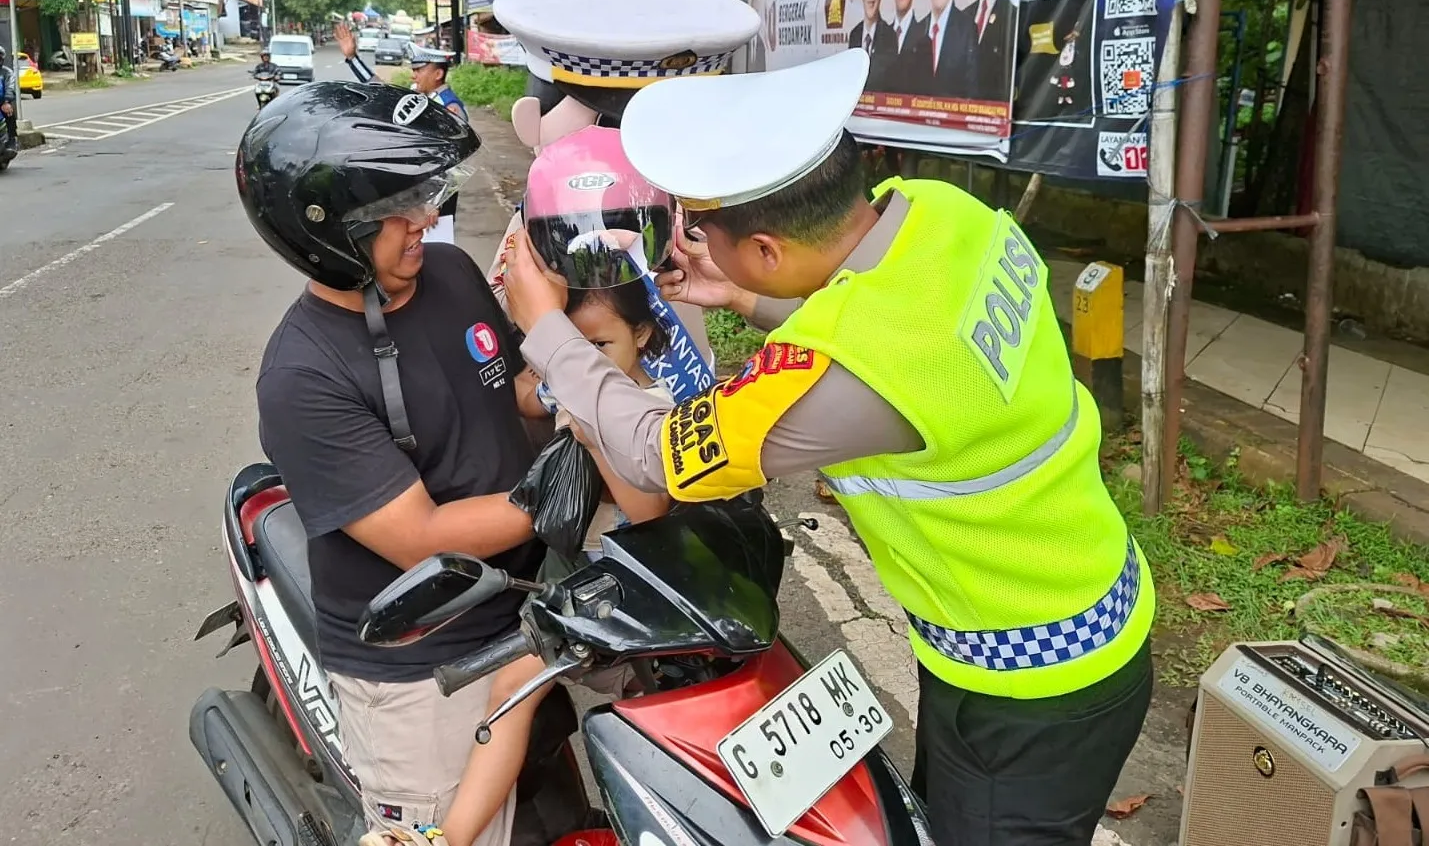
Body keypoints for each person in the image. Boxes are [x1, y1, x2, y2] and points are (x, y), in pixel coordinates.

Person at [499, 48, 1155, 846]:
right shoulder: (941, 211)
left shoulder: (836, 378)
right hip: (1065, 596)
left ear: (769, 245)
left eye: (701, 232)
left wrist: (548, 331)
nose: (691, 246)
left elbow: (652, 453)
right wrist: (742, 293)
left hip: (1032, 683)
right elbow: (890, 329)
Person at [236, 80, 544, 846]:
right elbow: (421, 537)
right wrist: (557, 496)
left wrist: (606, 374)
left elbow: (518, 393)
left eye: (422, 195)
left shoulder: (448, 275)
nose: (428, 218)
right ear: (330, 234)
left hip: (533, 591)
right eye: (397, 211)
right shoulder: (302, 377)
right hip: (423, 661)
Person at [435, 128, 677, 846]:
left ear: (644, 337)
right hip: (576, 586)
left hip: (640, 601)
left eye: (598, 348)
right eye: (569, 344)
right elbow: (520, 393)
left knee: (642, 714)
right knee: (508, 688)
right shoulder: (567, 381)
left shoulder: (656, 411)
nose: (579, 361)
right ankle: (451, 835)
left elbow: (646, 503)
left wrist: (587, 410)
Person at [487, 0, 760, 402]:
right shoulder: (540, 224)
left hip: (680, 412)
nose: (629, 156)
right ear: (530, 121)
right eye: (609, 126)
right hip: (585, 427)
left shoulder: (688, 212)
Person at [335, 21, 465, 244]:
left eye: (419, 70)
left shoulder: (449, 108)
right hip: (414, 193)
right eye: (413, 70)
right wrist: (353, 58)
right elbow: (379, 89)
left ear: (438, 73)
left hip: (435, 202)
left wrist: (435, 202)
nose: (414, 75)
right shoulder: (418, 96)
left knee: (434, 257)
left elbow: (452, 160)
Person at [0, 45, 17, 157]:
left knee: (9, 113)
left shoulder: (7, 73)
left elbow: (10, 87)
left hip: (1, 102)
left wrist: (6, 102)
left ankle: (11, 140)